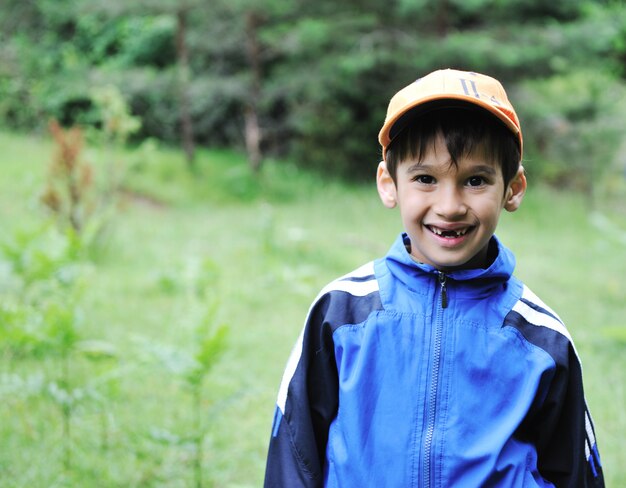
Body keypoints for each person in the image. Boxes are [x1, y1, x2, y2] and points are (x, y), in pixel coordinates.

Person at [263, 68, 604, 487]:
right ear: (389, 185)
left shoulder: (541, 340)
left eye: (475, 180)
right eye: (425, 179)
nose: (450, 206)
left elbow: (574, 471)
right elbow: (294, 454)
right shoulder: (341, 313)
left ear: (512, 189)